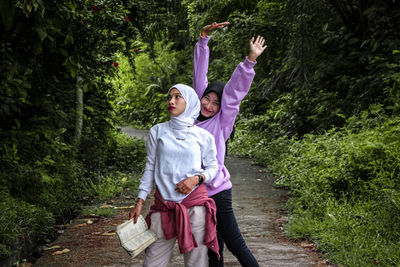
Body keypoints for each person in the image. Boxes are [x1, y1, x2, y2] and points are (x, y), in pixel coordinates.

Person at [193, 22, 267, 266]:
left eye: (216, 102)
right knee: (213, 249)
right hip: (198, 195)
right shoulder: (189, 120)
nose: (209, 106)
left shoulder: (221, 122)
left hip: (217, 192)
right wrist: (204, 39)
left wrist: (249, 62)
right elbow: (199, 77)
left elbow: (234, 92)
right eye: (207, 99)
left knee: (236, 245)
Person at [129, 84, 220, 267]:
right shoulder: (158, 131)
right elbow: (150, 167)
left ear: (190, 101)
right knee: (152, 263)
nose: (171, 101)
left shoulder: (203, 136)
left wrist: (196, 179)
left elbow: (213, 168)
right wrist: (140, 201)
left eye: (178, 97)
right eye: (169, 97)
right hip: (164, 207)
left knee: (196, 263)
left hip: (195, 206)